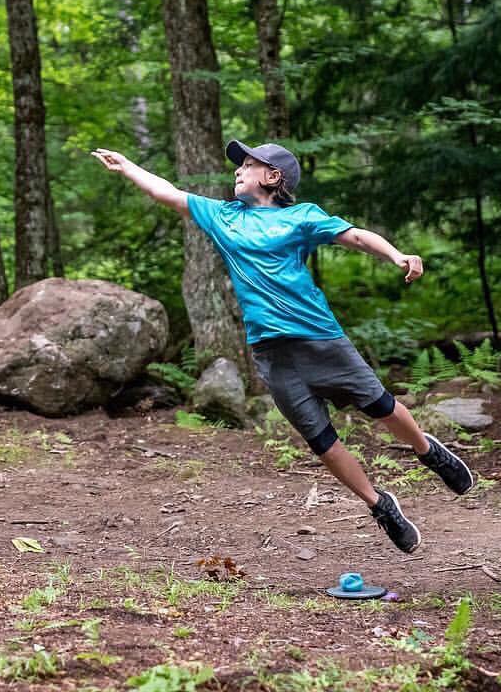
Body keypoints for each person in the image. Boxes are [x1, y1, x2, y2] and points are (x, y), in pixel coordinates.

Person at [91, 140, 474, 554]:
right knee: (320, 440)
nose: (237, 170)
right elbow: (165, 191)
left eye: (249, 165)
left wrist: (397, 254)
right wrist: (128, 165)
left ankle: (426, 450)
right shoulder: (223, 217)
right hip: (271, 353)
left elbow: (356, 237)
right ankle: (380, 505)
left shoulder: (300, 217)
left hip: (319, 337)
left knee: (379, 406)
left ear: (273, 178)